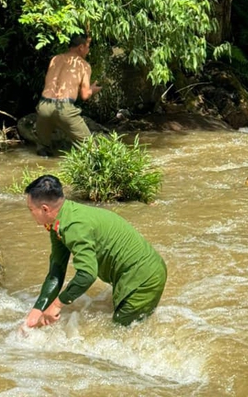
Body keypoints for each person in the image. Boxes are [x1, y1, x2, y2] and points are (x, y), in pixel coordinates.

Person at [24, 174, 167, 327]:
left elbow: (87, 275)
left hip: (144, 278)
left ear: (45, 209)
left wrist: (57, 305)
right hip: (136, 273)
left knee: (119, 334)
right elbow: (57, 270)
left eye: (30, 209)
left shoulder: (74, 226)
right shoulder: (61, 220)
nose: (30, 214)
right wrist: (37, 310)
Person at [35, 32, 101, 157]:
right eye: (88, 46)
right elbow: (85, 95)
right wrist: (93, 89)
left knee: (43, 149)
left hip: (44, 105)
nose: (88, 50)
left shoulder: (55, 59)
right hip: (64, 108)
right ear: (81, 47)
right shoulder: (83, 65)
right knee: (92, 151)